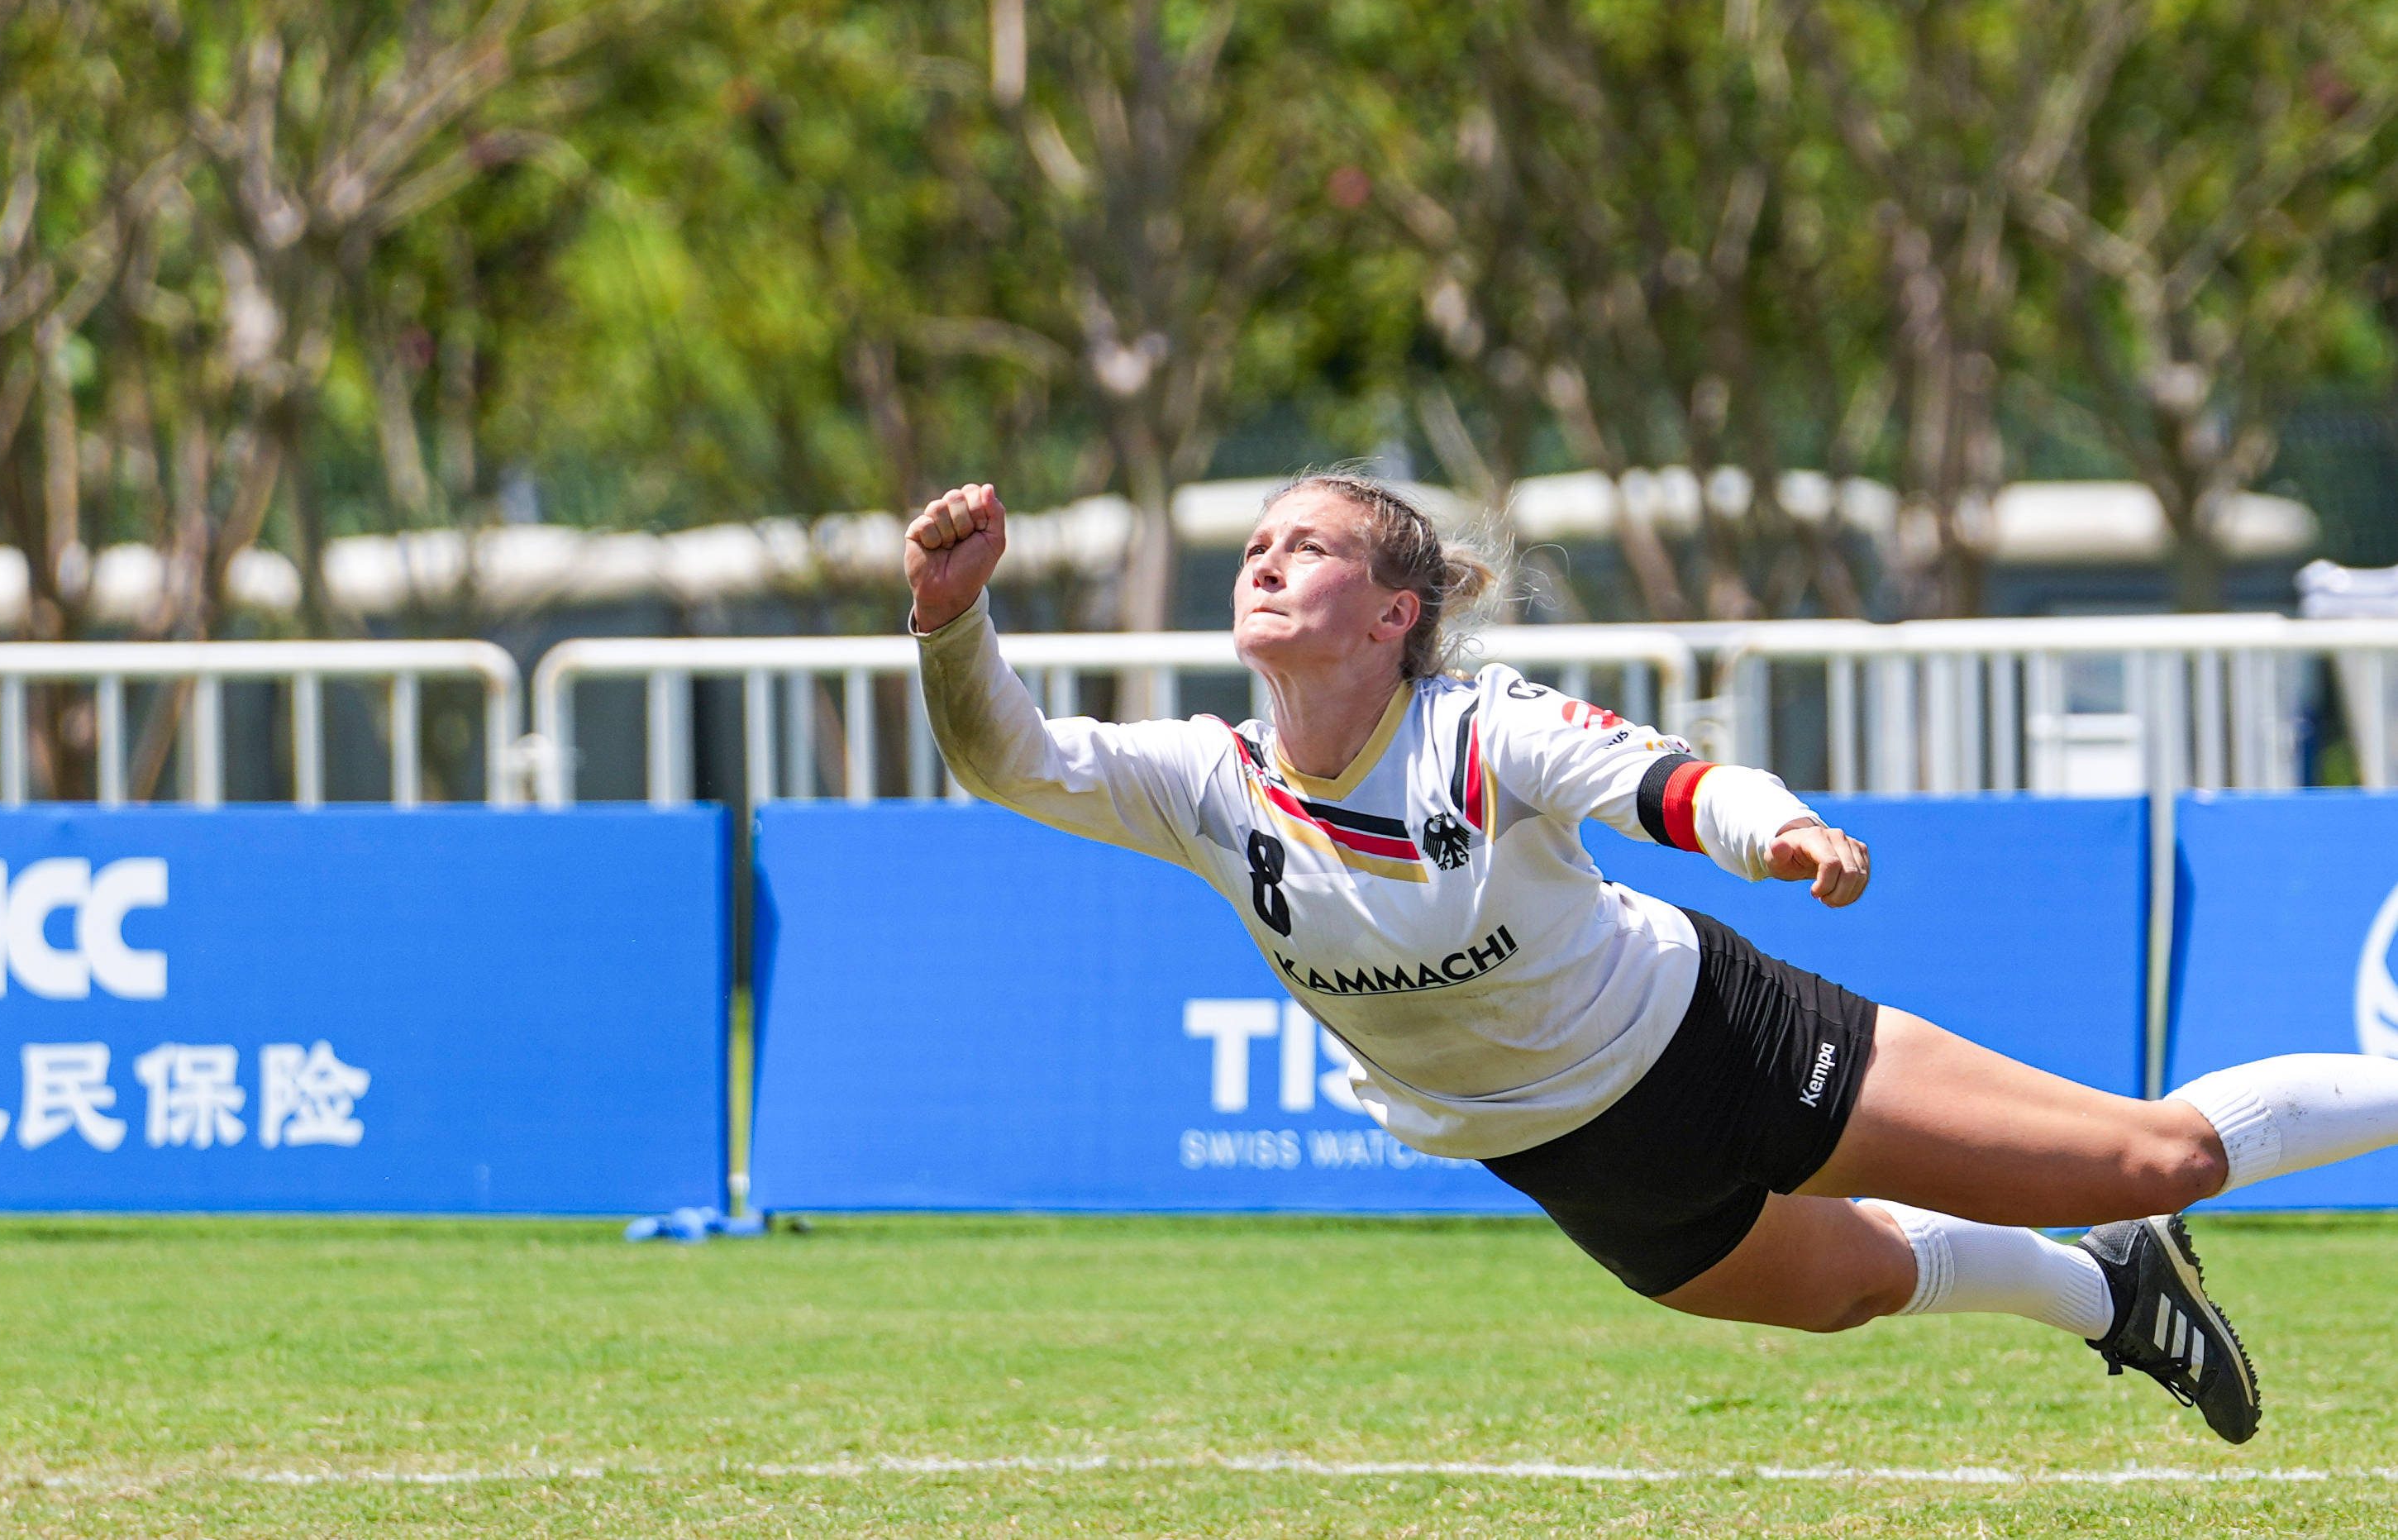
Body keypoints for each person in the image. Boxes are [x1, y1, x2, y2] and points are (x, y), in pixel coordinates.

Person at [904, 470, 2398, 1445]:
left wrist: (1786, 833)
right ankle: (2112, 1297)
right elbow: (1009, 759)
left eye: (1312, 545)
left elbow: (1668, 784)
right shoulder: (1208, 779)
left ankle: (2205, 1192)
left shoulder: (1478, 730)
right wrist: (952, 623)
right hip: (1564, 1157)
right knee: (1856, 1289)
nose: (1267, 559)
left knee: (2156, 1159)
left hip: (1719, 1040)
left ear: (1396, 611)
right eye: (1257, 544)